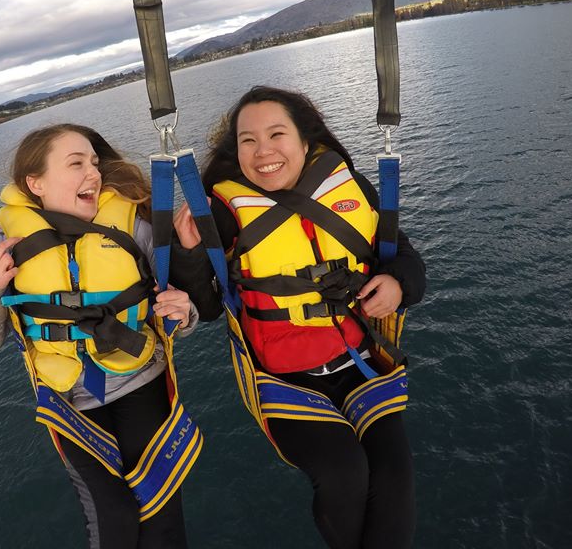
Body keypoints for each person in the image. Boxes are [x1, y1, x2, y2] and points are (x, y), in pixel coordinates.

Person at [173, 86, 426, 549]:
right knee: (344, 471)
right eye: (248, 140)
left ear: (305, 141)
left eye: (276, 134)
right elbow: (207, 308)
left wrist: (398, 285)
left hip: (361, 364)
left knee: (393, 477)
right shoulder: (224, 212)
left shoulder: (347, 187)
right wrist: (190, 252)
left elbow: (402, 256)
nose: (263, 151)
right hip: (284, 380)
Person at [0, 123, 207, 549]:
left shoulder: (134, 229)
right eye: (76, 163)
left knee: (162, 520)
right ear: (34, 183)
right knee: (112, 517)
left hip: (141, 381)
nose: (93, 173)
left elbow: (178, 311)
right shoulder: (9, 247)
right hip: (69, 400)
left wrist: (182, 311)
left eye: (94, 162)